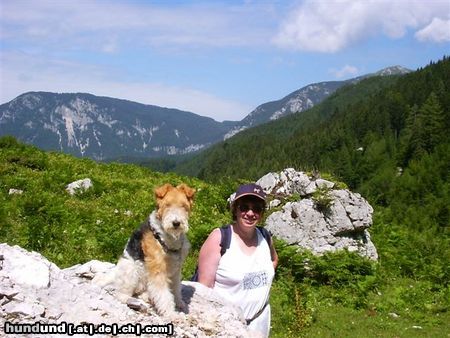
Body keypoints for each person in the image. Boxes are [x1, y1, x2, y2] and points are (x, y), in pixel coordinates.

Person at [197, 183, 278, 337]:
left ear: (261, 213)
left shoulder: (265, 236)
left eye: (256, 208)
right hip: (225, 326)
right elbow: (204, 291)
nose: (250, 213)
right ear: (235, 209)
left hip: (259, 320)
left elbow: (274, 261)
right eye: (244, 207)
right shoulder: (220, 238)